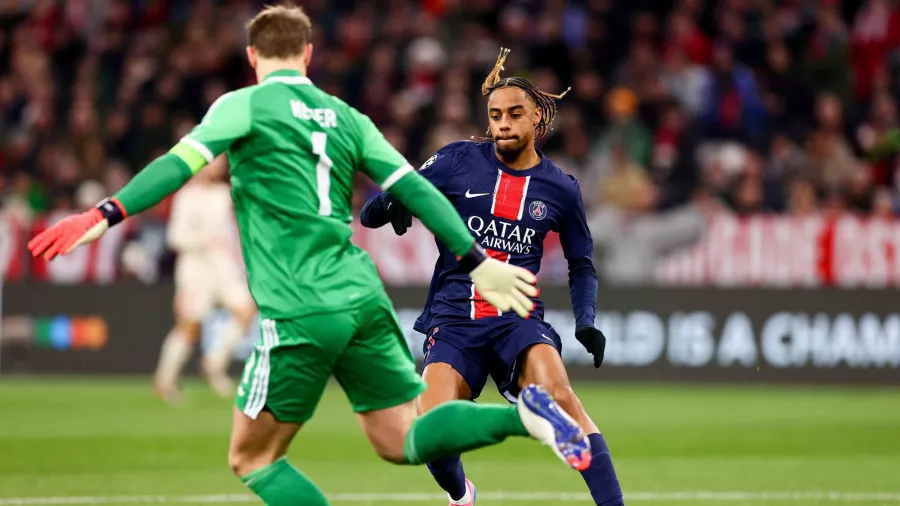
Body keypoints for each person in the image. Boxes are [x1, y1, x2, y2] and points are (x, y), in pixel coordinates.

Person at [27, 7, 592, 506]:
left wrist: (103, 213)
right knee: (403, 440)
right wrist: (479, 263)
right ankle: (522, 415)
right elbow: (415, 190)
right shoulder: (347, 117)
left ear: (252, 55)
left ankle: (521, 419)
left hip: (300, 303)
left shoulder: (242, 105)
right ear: (309, 55)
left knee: (252, 460)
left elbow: (181, 165)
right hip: (361, 295)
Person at [360, 48, 624, 506]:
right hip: (454, 320)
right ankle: (461, 495)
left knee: (562, 398)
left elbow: (582, 264)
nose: (502, 122)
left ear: (538, 117)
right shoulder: (458, 160)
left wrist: (586, 319)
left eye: (514, 113)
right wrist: (395, 199)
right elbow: (370, 214)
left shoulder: (561, 187)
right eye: (495, 114)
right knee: (433, 430)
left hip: (517, 320)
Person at [154, 155, 256, 402]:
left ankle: (215, 361)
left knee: (246, 310)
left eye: (222, 161)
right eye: (215, 160)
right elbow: (175, 237)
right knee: (189, 327)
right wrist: (205, 240)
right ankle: (164, 379)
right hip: (195, 270)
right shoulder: (187, 196)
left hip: (223, 270)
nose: (220, 165)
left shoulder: (224, 194)